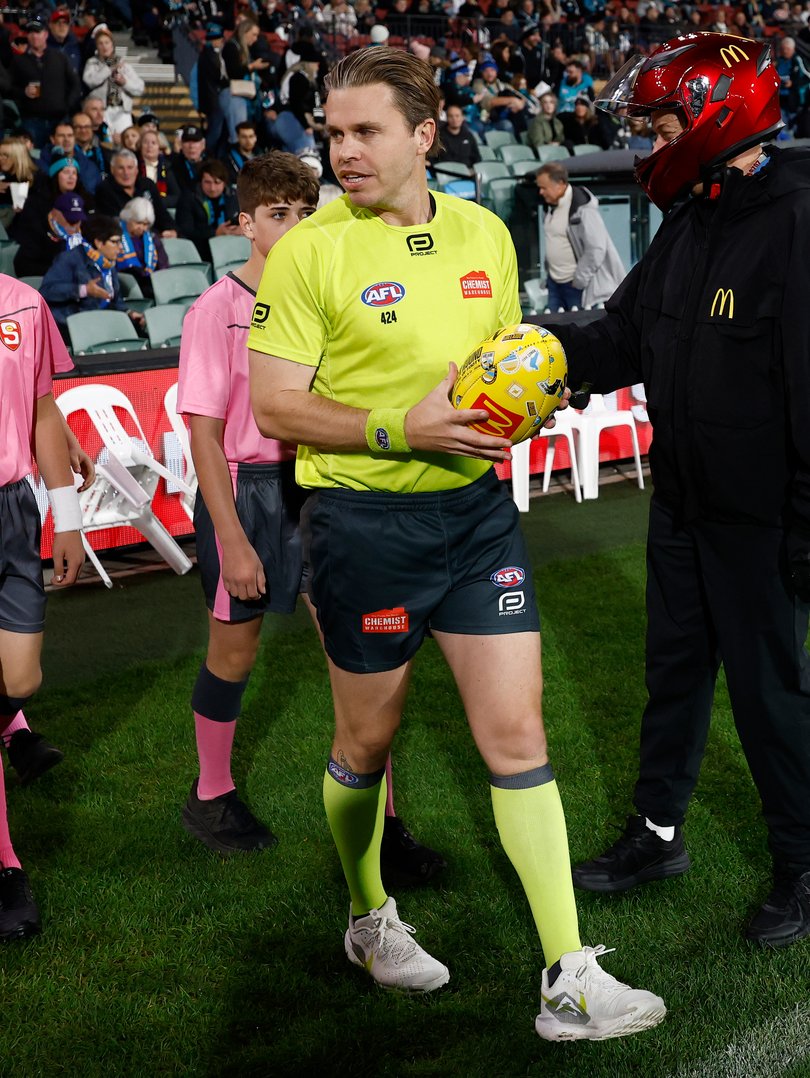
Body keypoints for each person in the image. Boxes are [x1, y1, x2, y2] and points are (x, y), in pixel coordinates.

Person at [246, 46, 665, 1039]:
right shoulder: (309, 249)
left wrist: (526, 401)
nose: (341, 153)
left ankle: (568, 976)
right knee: (366, 743)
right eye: (332, 134)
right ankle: (368, 916)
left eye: (364, 132)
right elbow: (274, 406)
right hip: (363, 526)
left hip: (477, 517)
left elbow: (498, 368)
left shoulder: (482, 230)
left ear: (425, 135)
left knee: (520, 736)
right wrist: (403, 428)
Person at [554, 33, 810, 950]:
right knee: (673, 680)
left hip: (761, 519)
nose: (652, 140)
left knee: (771, 697)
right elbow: (622, 339)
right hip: (682, 506)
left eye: (663, 121)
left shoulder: (796, 219)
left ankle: (801, 863)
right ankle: (657, 837)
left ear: (716, 115)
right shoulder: (694, 219)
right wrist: (537, 356)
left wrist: (805, 526)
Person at [177, 151, 446, 885]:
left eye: (304, 211)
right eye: (277, 214)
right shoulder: (215, 309)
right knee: (233, 654)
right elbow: (202, 433)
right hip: (248, 494)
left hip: (321, 483)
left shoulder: (325, 291)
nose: (294, 225)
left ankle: (384, 830)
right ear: (245, 224)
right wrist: (232, 538)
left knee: (358, 659)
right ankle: (211, 794)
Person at [0, 275, 85, 939]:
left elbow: (43, 410)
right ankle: (7, 867)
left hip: (12, 509)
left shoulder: (25, 300)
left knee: (20, 679)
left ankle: (13, 725)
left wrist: (68, 517)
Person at [536, 160, 625, 310]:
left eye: (544, 188)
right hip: (554, 285)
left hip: (575, 286)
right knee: (550, 330)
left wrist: (579, 280)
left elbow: (596, 248)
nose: (540, 192)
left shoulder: (584, 210)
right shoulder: (548, 208)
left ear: (560, 184)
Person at [40, 213, 146, 337]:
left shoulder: (108, 263)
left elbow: (116, 300)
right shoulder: (69, 259)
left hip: (102, 321)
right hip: (72, 326)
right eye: (114, 242)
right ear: (99, 243)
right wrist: (84, 290)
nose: (120, 248)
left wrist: (129, 313)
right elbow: (46, 292)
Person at [11, 149, 94, 278]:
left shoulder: (86, 201)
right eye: (66, 172)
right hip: (45, 263)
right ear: (55, 175)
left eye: (74, 173)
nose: (71, 176)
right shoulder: (37, 202)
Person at [10, 16, 82, 148]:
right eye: (31, 32)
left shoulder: (60, 57)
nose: (34, 36)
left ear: (45, 35)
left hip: (59, 120)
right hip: (31, 120)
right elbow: (10, 89)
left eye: (37, 32)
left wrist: (67, 106)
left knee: (59, 156)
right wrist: (23, 92)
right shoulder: (18, 61)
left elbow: (75, 85)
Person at [94, 148, 177, 235]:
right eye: (121, 168)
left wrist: (172, 230)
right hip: (123, 238)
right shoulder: (104, 190)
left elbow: (162, 214)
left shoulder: (148, 185)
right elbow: (111, 222)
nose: (126, 173)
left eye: (130, 167)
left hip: (154, 236)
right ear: (112, 170)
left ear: (136, 170)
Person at [82, 26, 145, 138]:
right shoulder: (92, 63)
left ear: (112, 44)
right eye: (100, 43)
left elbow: (140, 88)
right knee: (105, 141)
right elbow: (90, 81)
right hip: (102, 111)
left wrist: (125, 82)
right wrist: (108, 69)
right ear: (97, 46)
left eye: (107, 42)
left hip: (122, 111)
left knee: (125, 141)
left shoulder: (123, 64)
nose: (104, 46)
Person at [175, 157, 240, 261]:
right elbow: (185, 231)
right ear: (201, 181)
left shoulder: (234, 197)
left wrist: (241, 229)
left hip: (231, 248)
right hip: (200, 251)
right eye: (207, 182)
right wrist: (215, 233)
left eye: (217, 182)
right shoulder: (188, 198)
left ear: (224, 183)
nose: (212, 188)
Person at [117, 195, 169, 296]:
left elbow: (164, 265)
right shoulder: (115, 235)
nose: (143, 228)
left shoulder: (153, 238)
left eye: (146, 224)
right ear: (128, 218)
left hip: (150, 283)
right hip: (124, 285)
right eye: (139, 223)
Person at [40, 119, 102, 195]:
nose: (66, 139)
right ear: (52, 139)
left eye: (70, 135)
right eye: (61, 136)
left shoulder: (89, 166)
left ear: (74, 139)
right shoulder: (41, 165)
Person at [434, 103, 481, 168]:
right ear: (447, 118)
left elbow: (477, 158)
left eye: (457, 116)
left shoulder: (469, 136)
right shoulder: (438, 136)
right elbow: (433, 158)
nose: (454, 119)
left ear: (462, 117)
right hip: (445, 173)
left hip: (466, 174)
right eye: (451, 116)